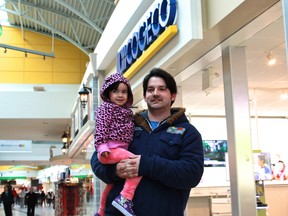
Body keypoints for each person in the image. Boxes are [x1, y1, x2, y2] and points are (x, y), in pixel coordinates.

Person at [91, 67, 204, 216]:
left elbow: (192, 174)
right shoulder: (126, 124)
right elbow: (97, 159)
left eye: (162, 89)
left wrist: (147, 165)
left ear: (173, 95)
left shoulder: (188, 132)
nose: (155, 93)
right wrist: (115, 171)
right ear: (144, 96)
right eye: (150, 90)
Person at [93, 72, 141, 216]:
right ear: (108, 93)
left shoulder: (126, 112)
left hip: (118, 151)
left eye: (124, 92)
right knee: (136, 165)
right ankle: (125, 198)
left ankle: (101, 212)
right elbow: (100, 128)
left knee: (110, 185)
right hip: (110, 150)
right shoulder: (105, 109)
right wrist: (102, 147)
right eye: (115, 91)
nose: (120, 95)